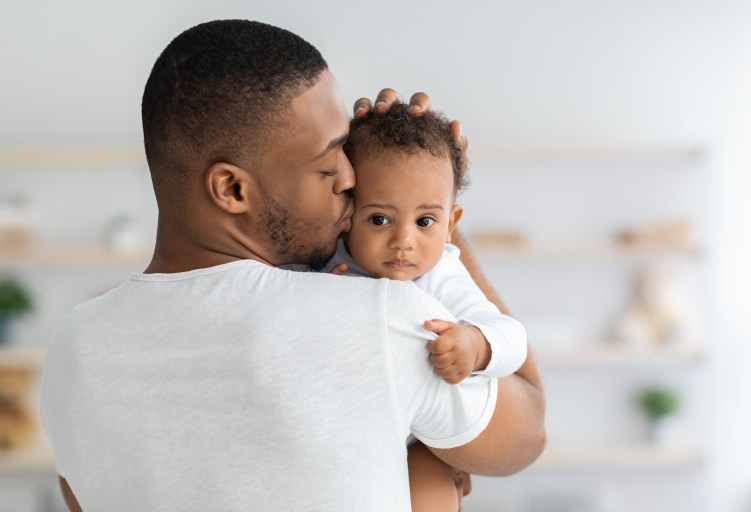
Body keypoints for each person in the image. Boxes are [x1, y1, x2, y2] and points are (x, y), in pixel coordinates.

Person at [40, 19, 545, 512]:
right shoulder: (382, 319)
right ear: (233, 189)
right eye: (328, 163)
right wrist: (431, 199)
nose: (351, 178)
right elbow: (527, 431)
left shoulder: (73, 347)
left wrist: (398, 193)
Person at [323, 104, 528, 387]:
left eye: (424, 221)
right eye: (380, 219)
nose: (403, 241)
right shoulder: (330, 263)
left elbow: (514, 339)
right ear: (347, 214)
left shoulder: (439, 275)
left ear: (450, 225)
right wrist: (317, 297)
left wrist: (474, 345)